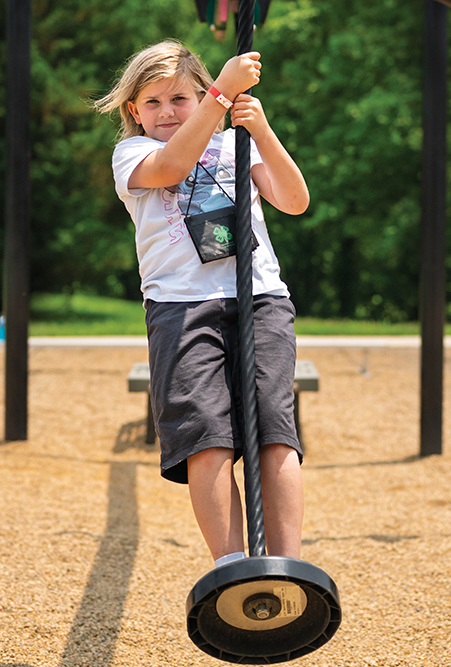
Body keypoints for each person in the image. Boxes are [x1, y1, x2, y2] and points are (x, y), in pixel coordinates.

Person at [93, 40, 309, 569]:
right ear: (132, 112)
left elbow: (295, 200)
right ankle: (231, 565)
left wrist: (258, 129)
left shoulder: (237, 144)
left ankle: (288, 567)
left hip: (259, 298)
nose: (166, 112)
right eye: (153, 103)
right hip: (182, 308)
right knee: (206, 438)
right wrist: (218, 94)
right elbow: (170, 169)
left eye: (179, 99)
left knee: (273, 435)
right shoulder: (134, 154)